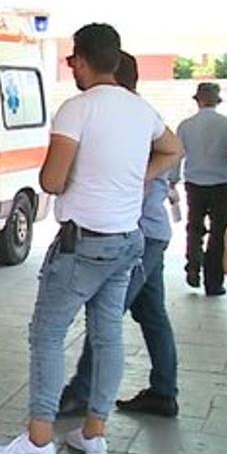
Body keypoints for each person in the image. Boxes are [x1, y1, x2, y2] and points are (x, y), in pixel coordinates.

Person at [0, 24, 180, 454]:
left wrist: (78, 173)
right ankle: (94, 435)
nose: (71, 67)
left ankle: (39, 441)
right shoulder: (141, 109)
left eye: (72, 60)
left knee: (47, 334)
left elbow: (51, 181)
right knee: (108, 334)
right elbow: (173, 149)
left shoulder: (77, 109)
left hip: (83, 245)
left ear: (83, 59)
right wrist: (138, 178)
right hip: (128, 241)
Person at [59, 52, 180, 418]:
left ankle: (83, 392)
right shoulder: (147, 118)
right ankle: (163, 391)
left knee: (106, 318)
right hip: (152, 231)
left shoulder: (129, 120)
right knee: (151, 313)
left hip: (136, 233)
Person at [174, 82, 227, 296]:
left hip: (195, 182)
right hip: (222, 182)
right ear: (217, 100)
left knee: (194, 227)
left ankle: (193, 265)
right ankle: (214, 282)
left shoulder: (185, 125)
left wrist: (172, 180)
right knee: (219, 232)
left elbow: (177, 155)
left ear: (198, 100)